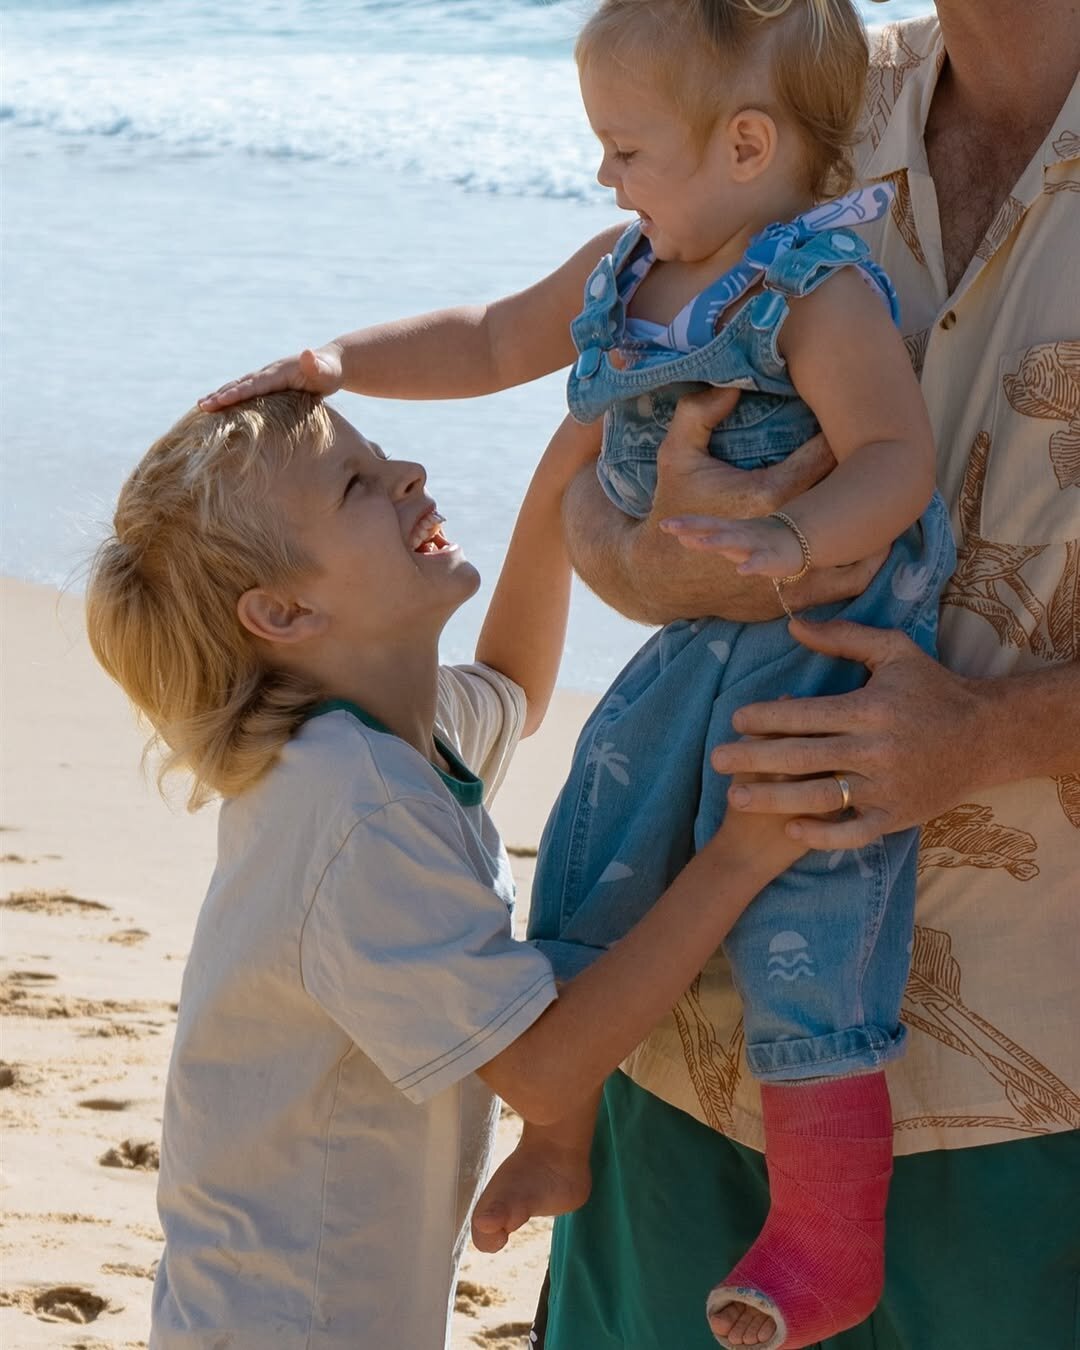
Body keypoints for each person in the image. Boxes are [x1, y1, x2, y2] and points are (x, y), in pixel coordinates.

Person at [200, 1, 958, 1343]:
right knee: (594, 860)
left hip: (811, 651)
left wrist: (789, 535)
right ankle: (561, 1125)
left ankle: (827, 1232)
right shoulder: (623, 267)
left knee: (814, 919)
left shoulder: (819, 293)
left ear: (740, 145)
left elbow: (898, 461)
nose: (605, 177)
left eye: (624, 149)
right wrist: (336, 362)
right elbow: (493, 339)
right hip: (685, 655)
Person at [84, 390, 809, 1349]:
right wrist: (740, 859)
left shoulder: (379, 730)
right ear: (285, 610)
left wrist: (570, 456)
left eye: (383, 455)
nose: (407, 476)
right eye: (356, 485)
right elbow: (546, 1074)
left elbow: (514, 684)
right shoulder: (355, 809)